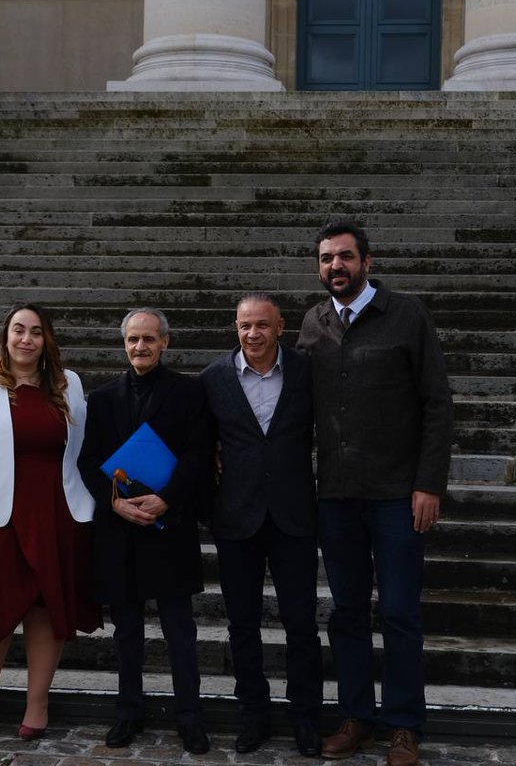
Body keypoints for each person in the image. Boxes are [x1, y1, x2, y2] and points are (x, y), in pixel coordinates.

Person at [297, 220, 453, 766]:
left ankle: (405, 725)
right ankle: (356, 716)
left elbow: (437, 403)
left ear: (367, 261)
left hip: (395, 495)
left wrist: (429, 483)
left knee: (401, 614)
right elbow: (293, 408)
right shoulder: (313, 323)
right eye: (325, 259)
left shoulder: (407, 315)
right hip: (336, 495)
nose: (334, 266)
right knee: (346, 613)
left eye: (344, 257)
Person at [0, 304, 101, 741]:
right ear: (5, 336)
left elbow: (82, 449)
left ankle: (37, 703)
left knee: (46, 609)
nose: (26, 339)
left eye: (36, 332)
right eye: (18, 330)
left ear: (47, 339)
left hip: (56, 510)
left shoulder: (69, 384)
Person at [78, 308, 213, 755]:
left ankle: (190, 717)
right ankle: (128, 712)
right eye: (133, 339)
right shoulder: (101, 399)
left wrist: (168, 498)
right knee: (127, 632)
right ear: (124, 343)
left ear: (165, 342)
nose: (141, 347)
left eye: (149, 339)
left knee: (180, 631)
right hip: (120, 534)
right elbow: (87, 460)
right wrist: (114, 503)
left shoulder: (190, 393)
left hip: (169, 528)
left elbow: (198, 455)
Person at [199, 292, 323, 757]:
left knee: (302, 624)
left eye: (262, 325)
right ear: (235, 328)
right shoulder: (213, 378)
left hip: (293, 515)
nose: (253, 334)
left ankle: (306, 715)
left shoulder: (307, 372)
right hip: (237, 517)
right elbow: (199, 441)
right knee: (242, 624)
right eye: (245, 326)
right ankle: (253, 711)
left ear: (280, 326)